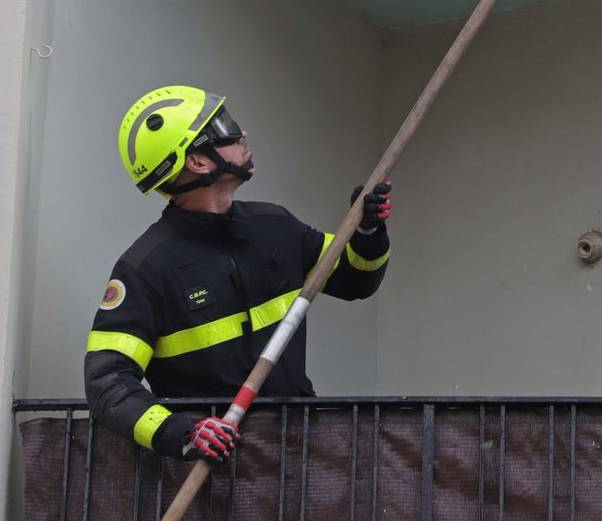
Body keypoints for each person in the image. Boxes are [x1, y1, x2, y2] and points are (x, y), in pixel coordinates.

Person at [84, 85, 391, 462]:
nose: (242, 134)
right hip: (216, 471)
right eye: (225, 127)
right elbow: (107, 383)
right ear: (198, 161)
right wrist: (180, 433)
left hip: (299, 452)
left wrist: (367, 232)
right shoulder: (146, 269)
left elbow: (356, 279)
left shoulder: (274, 226)